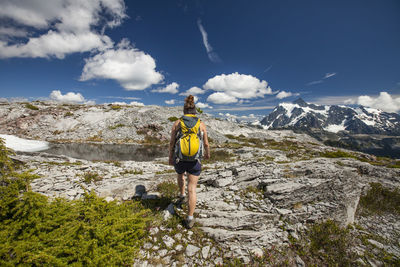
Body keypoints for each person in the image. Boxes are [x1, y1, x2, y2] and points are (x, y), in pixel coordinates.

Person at [168, 95, 210, 229]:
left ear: (184, 111)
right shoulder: (201, 124)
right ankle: (190, 218)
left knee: (180, 175)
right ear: (195, 111)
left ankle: (181, 196)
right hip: (195, 160)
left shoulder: (178, 123)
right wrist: (207, 155)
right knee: (192, 189)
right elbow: (206, 143)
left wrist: (170, 157)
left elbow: (172, 143)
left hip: (180, 158)